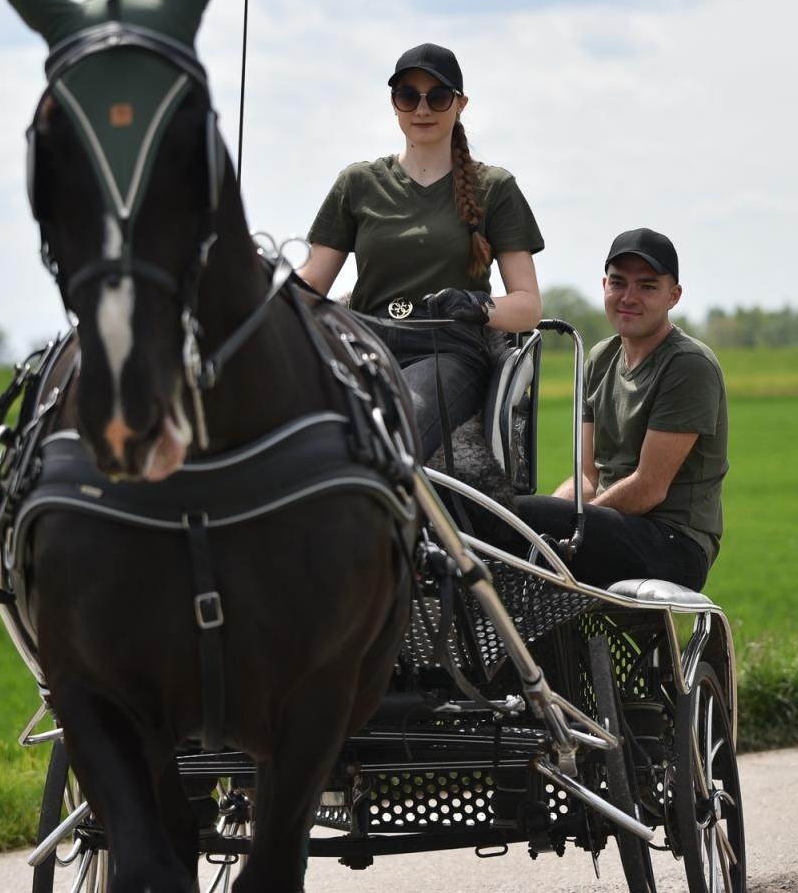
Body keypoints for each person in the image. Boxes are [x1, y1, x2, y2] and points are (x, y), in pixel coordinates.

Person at [299, 43, 544, 461]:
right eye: (408, 95)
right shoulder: (357, 183)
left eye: (438, 96)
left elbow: (528, 305)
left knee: (392, 434)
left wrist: (477, 305)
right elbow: (310, 284)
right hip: (363, 343)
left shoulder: (495, 188)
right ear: (394, 104)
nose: (423, 108)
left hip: (446, 349)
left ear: (460, 104)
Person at [513, 228, 727, 590]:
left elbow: (649, 487)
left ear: (673, 296)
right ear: (604, 286)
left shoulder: (688, 365)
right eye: (618, 283)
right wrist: (548, 515)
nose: (629, 297)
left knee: (521, 520)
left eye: (647, 286)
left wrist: (568, 522)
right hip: (611, 527)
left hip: (674, 543)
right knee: (503, 521)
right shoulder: (600, 358)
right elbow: (587, 478)